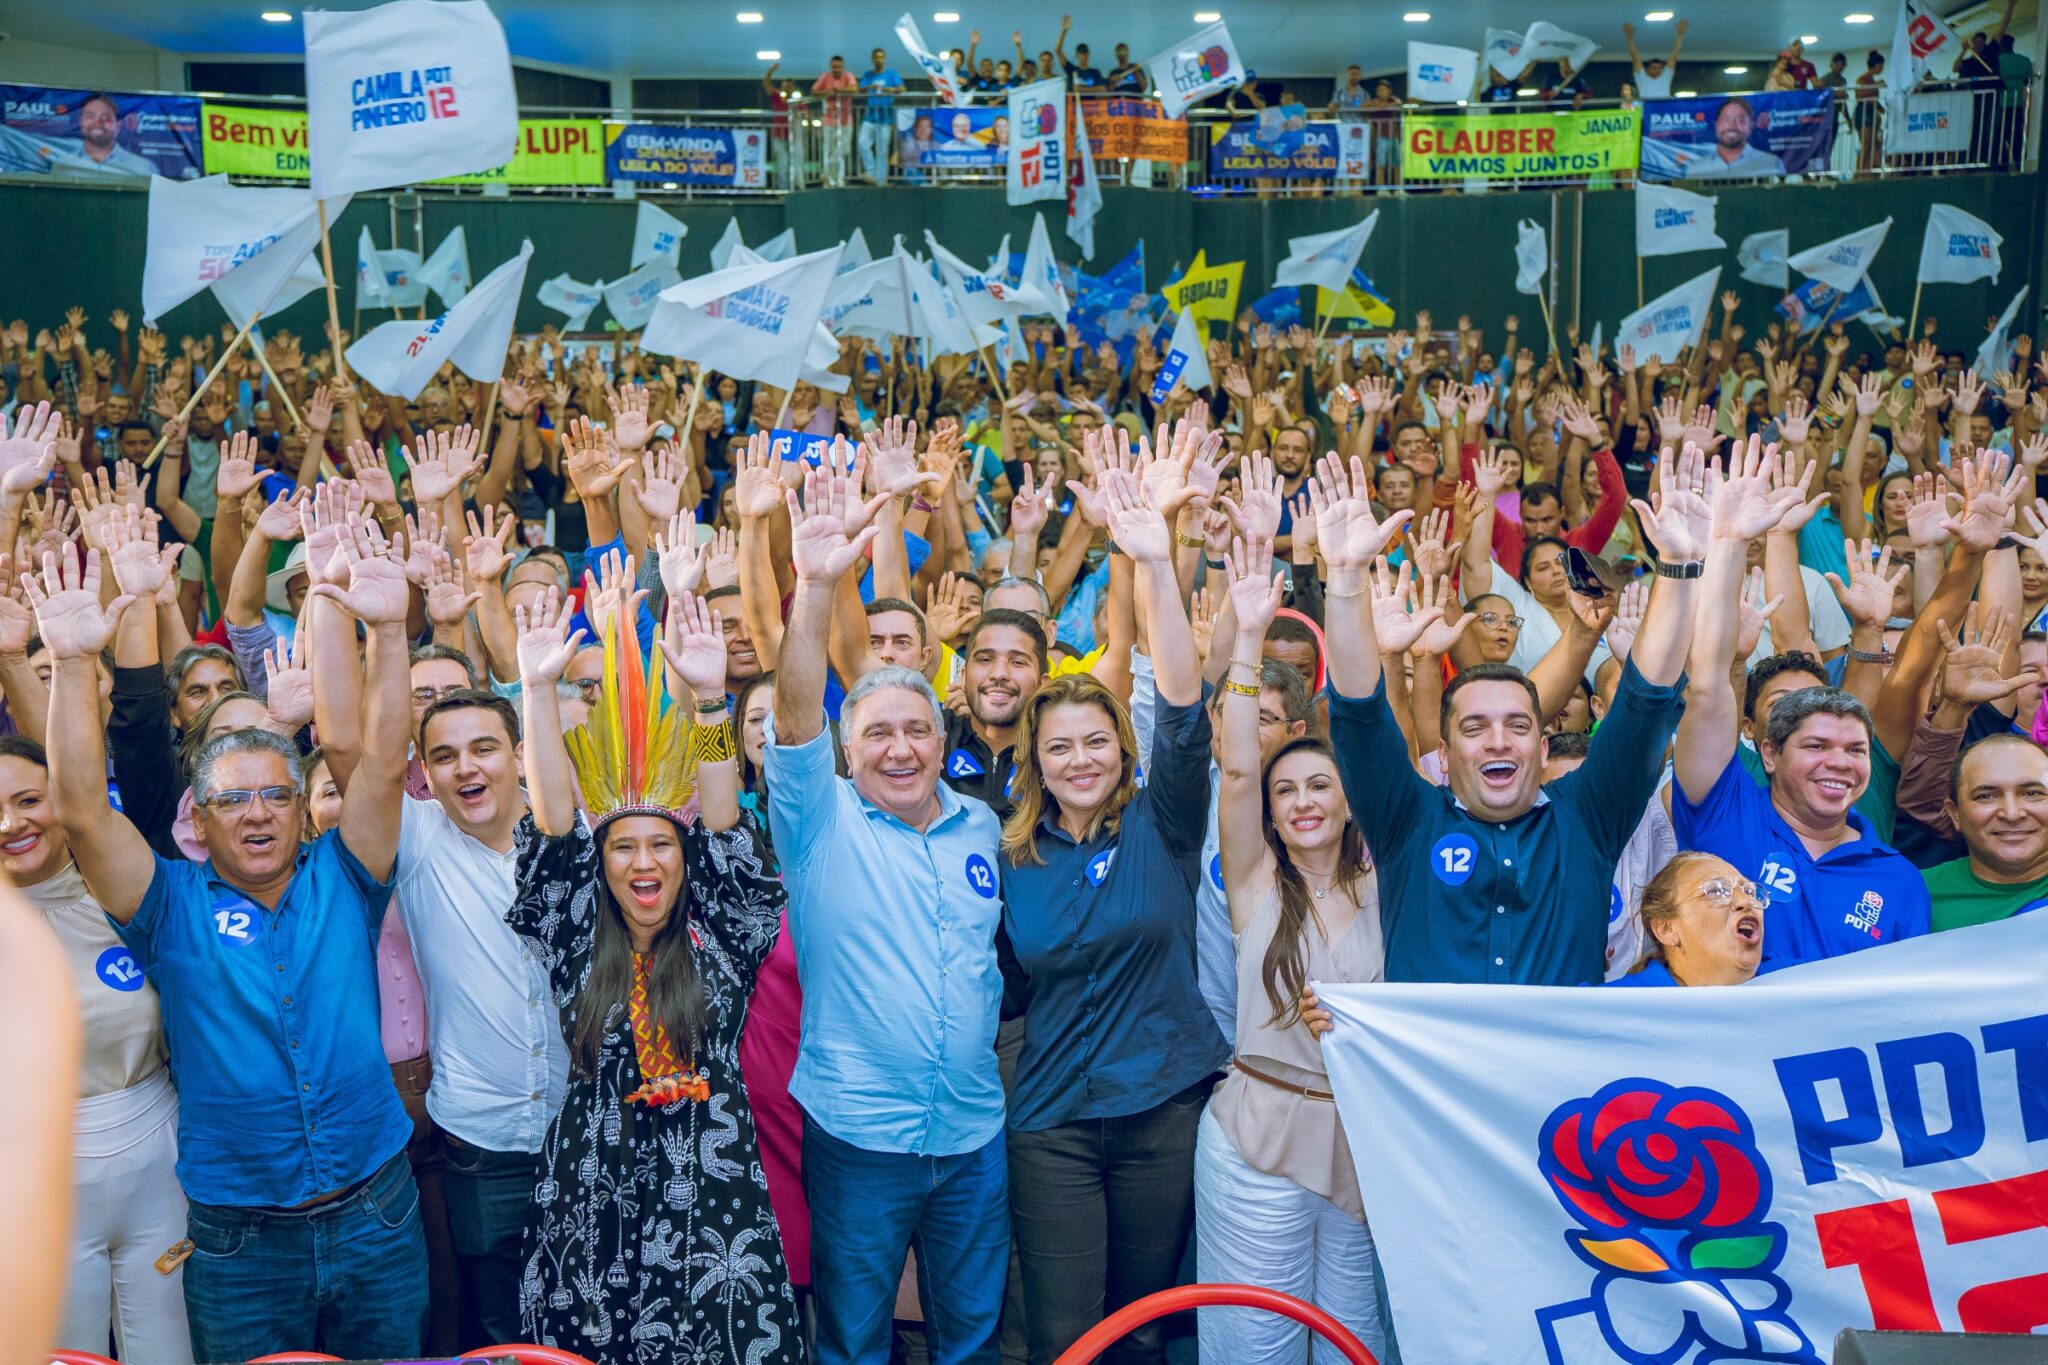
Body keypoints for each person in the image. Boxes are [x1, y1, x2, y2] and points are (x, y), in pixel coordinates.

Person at [41, 512, 425, 1360]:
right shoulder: (166, 904)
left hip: (378, 1214)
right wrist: (71, 663)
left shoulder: (346, 874)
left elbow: (387, 763)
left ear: (299, 806)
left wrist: (391, 631)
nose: (257, 811)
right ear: (199, 819)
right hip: (239, 1244)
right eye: (233, 799)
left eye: (276, 794)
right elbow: (76, 809)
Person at [511, 585, 801, 1363]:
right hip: (592, 1191)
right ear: (599, 865)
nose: (644, 860)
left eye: (661, 845)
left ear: (684, 861)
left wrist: (712, 709)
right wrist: (537, 693)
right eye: (623, 846)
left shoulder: (724, 932)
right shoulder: (576, 934)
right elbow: (548, 828)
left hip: (713, 1193)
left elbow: (721, 824)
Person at [766, 453, 1009, 1365]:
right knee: (855, 1342)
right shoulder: (818, 821)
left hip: (973, 1132)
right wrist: (818, 585)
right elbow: (792, 714)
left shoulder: (981, 824)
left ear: (942, 740)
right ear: (845, 748)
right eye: (876, 733)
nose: (899, 748)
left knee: (972, 1340)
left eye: (916, 729)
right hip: (861, 1138)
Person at [997, 466, 1221, 1365]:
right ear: (1036, 763)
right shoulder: (1011, 856)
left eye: (1097, 741)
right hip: (1050, 1121)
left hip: (1162, 1108)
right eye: (1060, 747)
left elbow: (1181, 703)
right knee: (1064, 1333)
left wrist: (1154, 562)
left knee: (1143, 1324)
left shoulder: (1164, 823)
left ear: (1121, 751)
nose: (1080, 759)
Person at [1195, 536, 1386, 1361]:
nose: (1303, 800)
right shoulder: (1254, 881)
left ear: (1349, 799)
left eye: (1321, 784)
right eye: (1287, 789)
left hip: (1365, 1146)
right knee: (1258, 1347)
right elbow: (1236, 769)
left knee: (1355, 1343)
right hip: (1257, 1140)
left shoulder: (1387, 881)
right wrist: (1243, 639)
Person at [1671, 441, 1934, 972]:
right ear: (1768, 753)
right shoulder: (1728, 815)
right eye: (1815, 746)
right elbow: (1706, 693)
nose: (1840, 761)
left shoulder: (1898, 879)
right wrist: (1727, 544)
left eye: (1855, 750)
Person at [388, 683, 568, 1347]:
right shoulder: (419, 841)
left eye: (483, 747)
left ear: (520, 755)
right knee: (501, 1332)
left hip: (585, 1139)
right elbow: (352, 749)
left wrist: (706, 704)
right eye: (445, 754)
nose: (466, 766)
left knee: (594, 1317)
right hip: (480, 1148)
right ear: (425, 774)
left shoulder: (576, 836)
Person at [5, 735, 191, 1363]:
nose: (11, 823)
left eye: (29, 799)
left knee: (170, 1352)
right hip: (35, 1177)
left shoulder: (122, 895)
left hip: (157, 1157)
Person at [1924, 731, 2048, 931]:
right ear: (1955, 814)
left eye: (2032, 793)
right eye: (1986, 796)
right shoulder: (1913, 893)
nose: (2012, 814)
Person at [1605, 853, 1768, 987]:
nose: (1745, 902)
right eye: (1716, 891)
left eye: (1750, 891)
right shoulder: (1616, 1008)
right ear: (1666, 929)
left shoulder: (1789, 980)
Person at [1681, 98, 1787, 179]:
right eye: (1726, 120)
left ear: (1750, 127)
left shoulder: (1771, 164)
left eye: (1740, 120)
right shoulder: (1695, 169)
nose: (1731, 126)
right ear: (1716, 125)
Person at [858, 48, 905, 185]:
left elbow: (902, 88)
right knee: (862, 143)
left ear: (884, 59)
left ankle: (880, 180)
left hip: (885, 117)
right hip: (870, 116)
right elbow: (859, 89)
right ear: (872, 59)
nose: (879, 60)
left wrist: (892, 89)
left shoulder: (891, 74)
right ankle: (871, 172)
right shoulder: (868, 75)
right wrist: (869, 86)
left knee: (882, 149)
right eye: (876, 57)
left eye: (881, 57)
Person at [813, 56, 859, 188]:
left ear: (843, 66)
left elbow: (854, 88)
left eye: (839, 67)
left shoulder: (848, 76)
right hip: (829, 120)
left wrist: (839, 91)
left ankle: (826, 172)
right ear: (830, 66)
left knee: (844, 149)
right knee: (829, 150)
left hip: (845, 120)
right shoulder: (825, 77)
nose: (837, 70)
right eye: (834, 67)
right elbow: (814, 91)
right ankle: (834, 180)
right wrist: (828, 93)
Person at [1621, 19, 1686, 100]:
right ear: (1647, 69)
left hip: (1663, 110)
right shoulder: (1641, 77)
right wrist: (1629, 38)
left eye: (1660, 68)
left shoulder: (1666, 77)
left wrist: (1680, 35)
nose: (1657, 70)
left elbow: (1674, 55)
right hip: (1648, 109)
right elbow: (1635, 58)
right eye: (1654, 68)